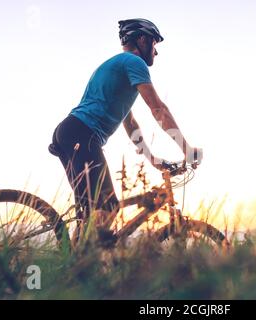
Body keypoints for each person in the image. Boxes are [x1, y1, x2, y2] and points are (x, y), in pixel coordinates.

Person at [49, 18, 202, 239]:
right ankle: (86, 261)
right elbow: (158, 109)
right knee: (108, 206)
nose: (156, 52)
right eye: (155, 44)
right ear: (142, 40)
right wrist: (186, 148)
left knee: (91, 213)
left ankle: (77, 264)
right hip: (82, 133)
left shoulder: (117, 65)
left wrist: (151, 158)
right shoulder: (134, 62)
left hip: (70, 132)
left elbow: (129, 123)